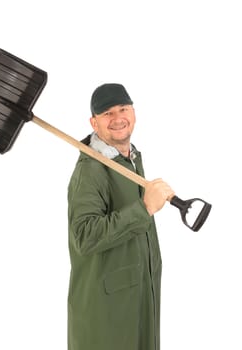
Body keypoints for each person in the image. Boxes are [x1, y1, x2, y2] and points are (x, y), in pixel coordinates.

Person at [67, 83, 174, 350]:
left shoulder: (130, 158)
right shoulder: (91, 171)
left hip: (140, 301)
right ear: (94, 122)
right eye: (107, 114)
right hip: (106, 314)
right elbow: (85, 236)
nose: (118, 119)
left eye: (123, 109)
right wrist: (144, 209)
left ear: (133, 113)